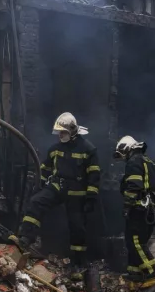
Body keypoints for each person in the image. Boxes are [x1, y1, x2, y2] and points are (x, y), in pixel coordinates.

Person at [15, 113, 101, 268]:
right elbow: (45, 169)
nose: (60, 135)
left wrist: (91, 197)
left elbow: (94, 175)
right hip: (57, 187)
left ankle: (78, 262)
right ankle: (25, 238)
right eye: (59, 132)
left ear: (72, 131)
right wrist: (38, 186)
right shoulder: (55, 149)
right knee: (36, 202)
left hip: (77, 192)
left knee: (77, 226)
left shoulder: (88, 149)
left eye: (63, 132)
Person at [115, 135, 155, 285]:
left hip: (139, 208)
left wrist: (127, 205)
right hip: (150, 209)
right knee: (136, 241)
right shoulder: (150, 162)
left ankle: (152, 271)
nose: (123, 158)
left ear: (128, 149)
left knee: (134, 241)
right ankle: (135, 272)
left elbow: (134, 186)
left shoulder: (134, 162)